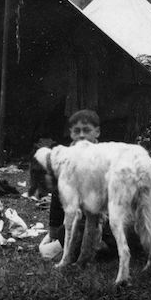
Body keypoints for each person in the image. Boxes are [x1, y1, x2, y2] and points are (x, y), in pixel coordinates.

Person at [39, 109, 103, 260]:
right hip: (78, 218)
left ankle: (99, 244)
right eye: (77, 131)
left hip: (101, 217)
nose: (81, 135)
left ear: (97, 132)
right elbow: (58, 195)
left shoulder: (103, 156)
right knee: (64, 232)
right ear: (71, 133)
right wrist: (53, 231)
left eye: (86, 130)